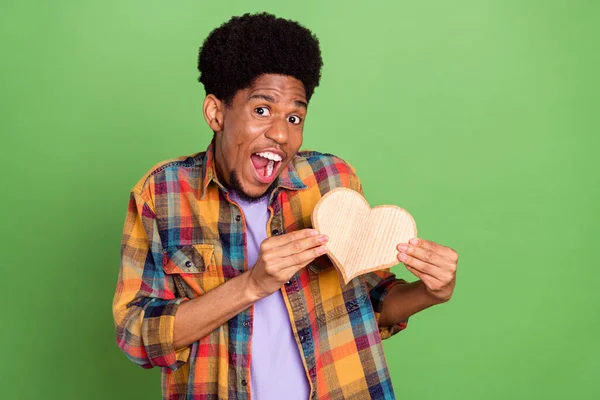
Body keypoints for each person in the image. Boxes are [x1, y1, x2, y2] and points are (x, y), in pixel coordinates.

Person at [112, 12, 458, 400]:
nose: (281, 133)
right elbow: (136, 335)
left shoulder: (332, 181)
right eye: (262, 110)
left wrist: (433, 291)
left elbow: (375, 301)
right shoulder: (161, 194)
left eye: (295, 116)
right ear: (216, 112)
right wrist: (252, 284)